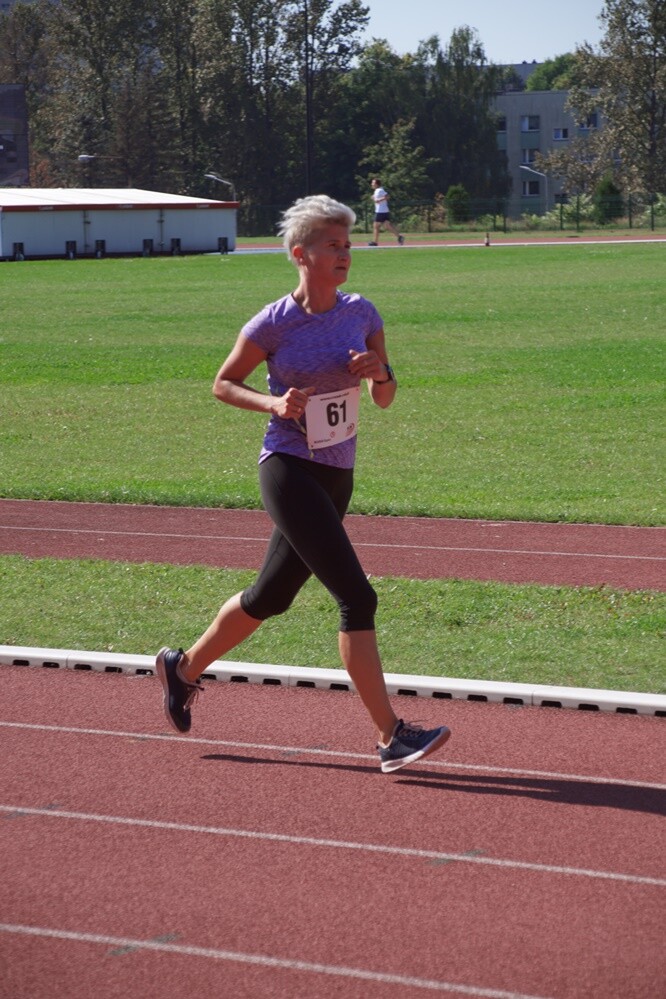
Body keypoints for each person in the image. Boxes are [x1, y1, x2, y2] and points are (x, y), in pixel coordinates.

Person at [156, 194, 449, 773]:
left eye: (348, 245)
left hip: (338, 471)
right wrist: (274, 402)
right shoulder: (273, 323)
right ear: (301, 254)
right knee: (357, 596)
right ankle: (391, 736)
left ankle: (181, 667)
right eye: (332, 246)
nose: (345, 254)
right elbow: (222, 383)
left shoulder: (362, 313)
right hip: (287, 468)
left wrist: (381, 373)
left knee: (271, 597)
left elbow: (385, 398)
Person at [368, 178, 405, 246]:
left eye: (373, 183)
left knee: (376, 226)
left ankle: (375, 242)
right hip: (384, 210)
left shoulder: (380, 190)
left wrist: (379, 200)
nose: (371, 184)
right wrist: (374, 198)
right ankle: (399, 237)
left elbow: (387, 196)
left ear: (376, 184)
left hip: (380, 211)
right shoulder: (377, 190)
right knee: (387, 226)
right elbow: (378, 198)